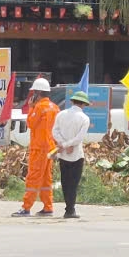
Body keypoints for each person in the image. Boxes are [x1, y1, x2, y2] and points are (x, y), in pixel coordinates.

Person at [14, 77, 59, 217]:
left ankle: (26, 207)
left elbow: (31, 124)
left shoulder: (39, 107)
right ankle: (48, 206)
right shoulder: (55, 107)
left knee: (33, 178)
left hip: (39, 148)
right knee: (46, 179)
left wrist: (31, 107)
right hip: (51, 147)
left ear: (38, 93)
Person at [52, 90, 91, 219]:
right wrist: (68, 145)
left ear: (72, 101)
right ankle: (70, 210)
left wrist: (63, 144)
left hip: (63, 154)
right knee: (73, 183)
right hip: (76, 154)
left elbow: (54, 132)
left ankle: (69, 208)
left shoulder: (61, 114)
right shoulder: (84, 118)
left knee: (65, 181)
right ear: (84, 104)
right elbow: (79, 138)